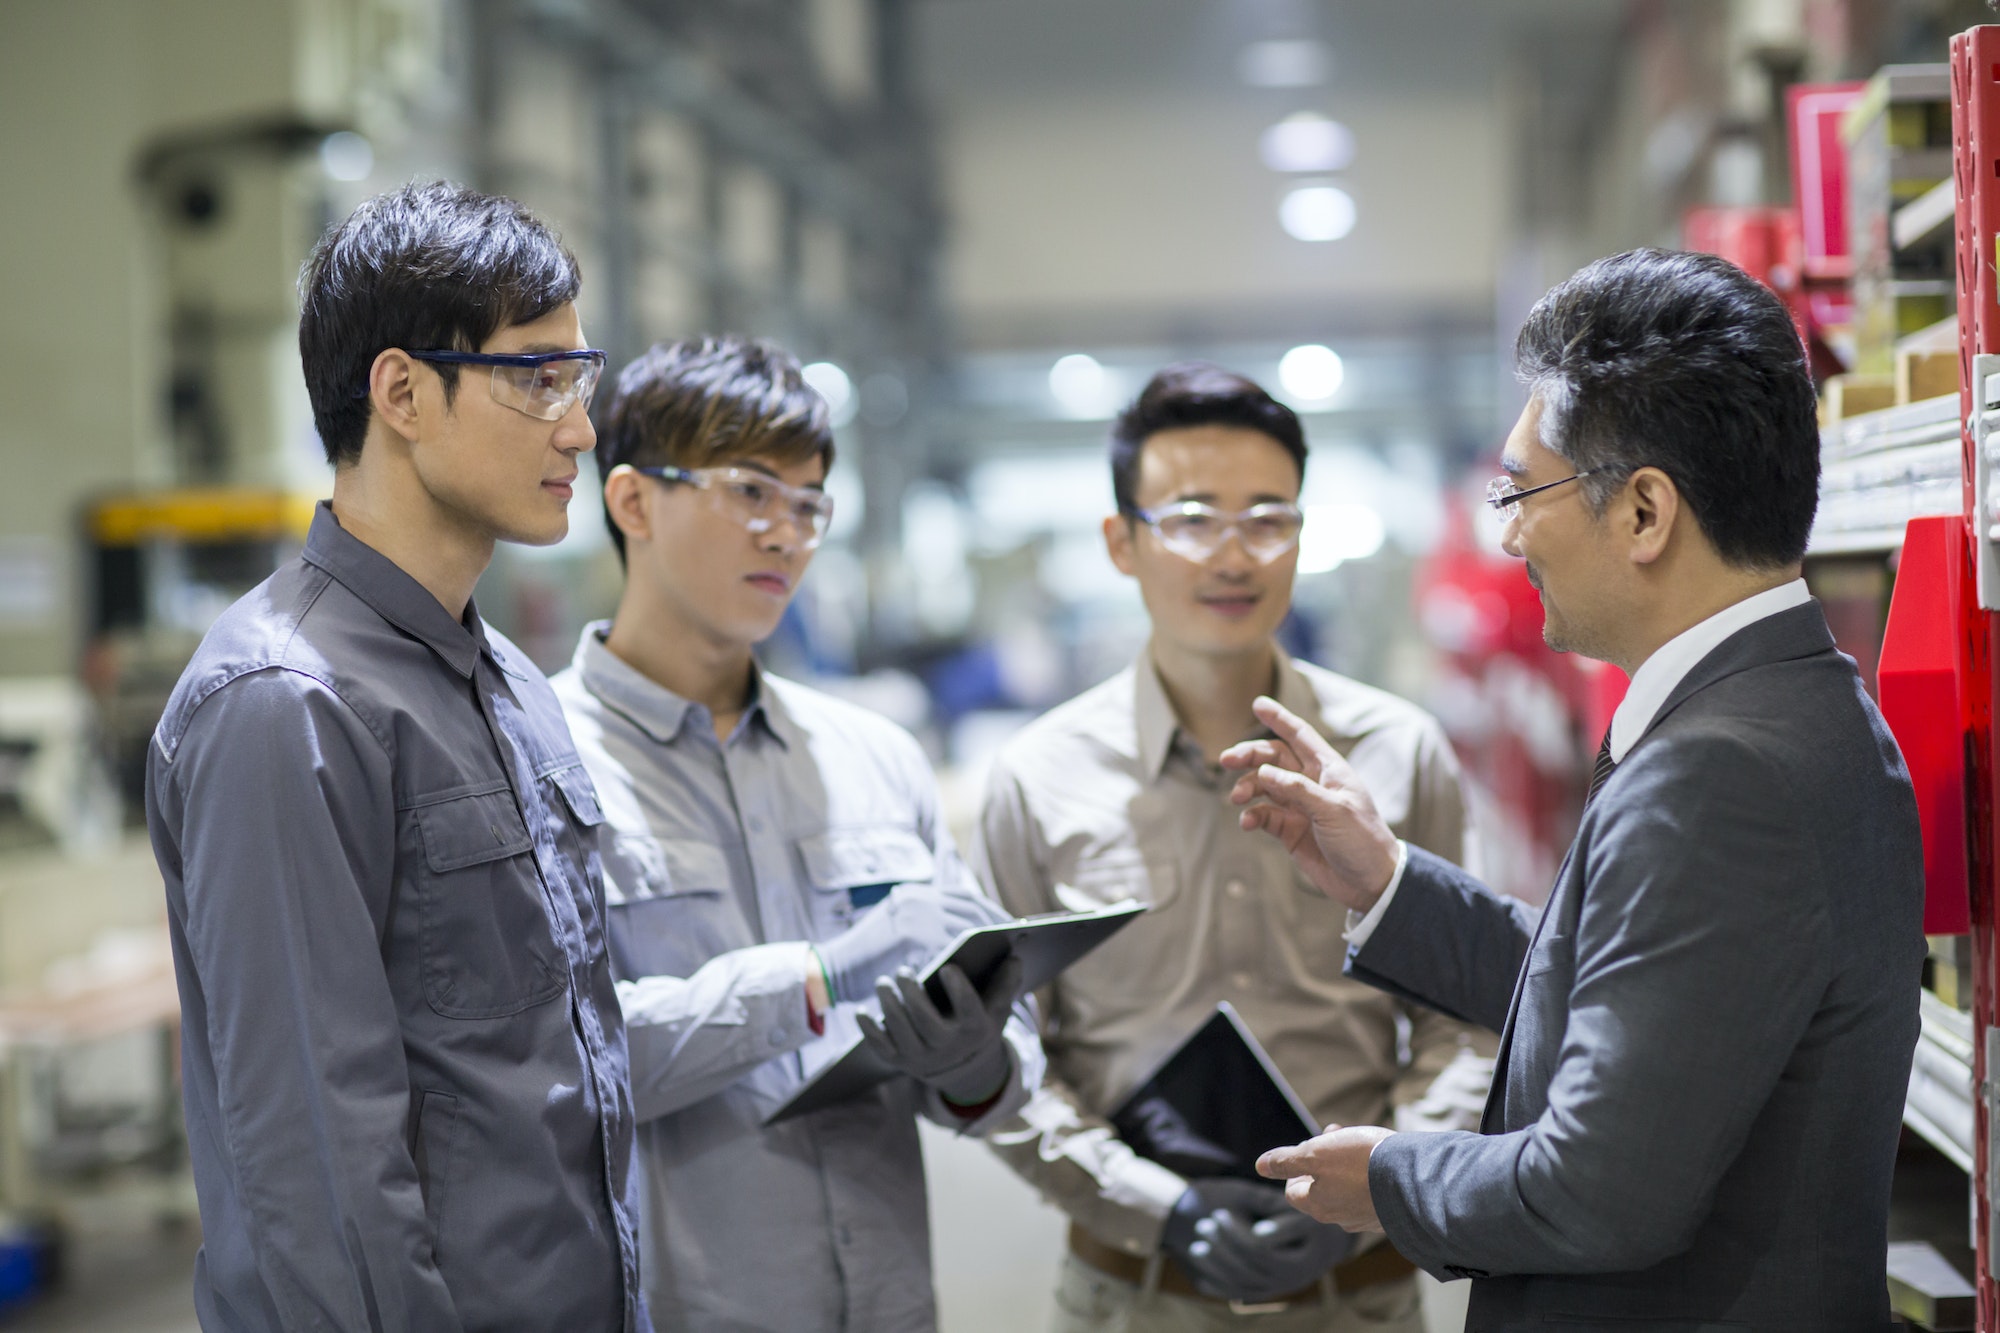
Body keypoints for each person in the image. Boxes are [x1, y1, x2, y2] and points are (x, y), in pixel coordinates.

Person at [1236, 248, 1925, 1331]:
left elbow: (1601, 1192)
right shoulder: (1791, 705)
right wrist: (1389, 885)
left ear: (1644, 512)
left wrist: (1391, 1180)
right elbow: (1652, 1009)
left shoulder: (1719, 770)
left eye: (1521, 493)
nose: (1506, 537)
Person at [144, 182, 647, 1331]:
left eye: (579, 377)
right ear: (404, 391)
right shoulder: (284, 706)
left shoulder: (509, 685)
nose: (577, 424)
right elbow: (321, 1165)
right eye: (536, 377)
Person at [971, 363, 1495, 1333]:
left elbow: (1464, 1023)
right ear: (1120, 542)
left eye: (1267, 517)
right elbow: (1008, 1057)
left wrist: (1383, 1180)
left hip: (1357, 1298)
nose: (1233, 555)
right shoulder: (1035, 778)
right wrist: (1154, 1207)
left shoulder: (1393, 750)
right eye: (1189, 518)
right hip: (1130, 1299)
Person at [551, 335, 1043, 1332]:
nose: (786, 533)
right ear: (633, 501)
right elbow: (559, 1064)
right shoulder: (537, 760)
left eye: (809, 502)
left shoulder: (873, 757)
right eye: (750, 491)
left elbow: (1009, 1064)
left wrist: (971, 1060)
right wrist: (813, 979)